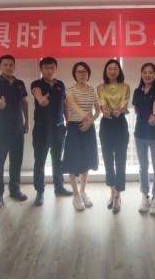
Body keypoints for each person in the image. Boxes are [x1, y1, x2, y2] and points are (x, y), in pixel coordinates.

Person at [31, 57, 73, 206]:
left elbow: (64, 104)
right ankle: (39, 191)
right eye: (46, 68)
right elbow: (36, 93)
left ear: (56, 69)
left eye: (52, 68)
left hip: (58, 128)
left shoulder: (60, 84)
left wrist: (68, 121)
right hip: (41, 129)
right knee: (40, 161)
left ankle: (59, 187)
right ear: (41, 69)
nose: (49, 70)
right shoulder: (36, 84)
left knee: (57, 160)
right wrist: (40, 99)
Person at [0, 55, 30, 209]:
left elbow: (24, 103)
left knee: (16, 162)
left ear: (14, 66)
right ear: (0, 66)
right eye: (5, 65)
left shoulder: (20, 83)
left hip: (18, 129)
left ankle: (14, 190)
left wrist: (27, 122)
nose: (8, 67)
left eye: (11, 65)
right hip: (1, 130)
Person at [62, 62, 101, 211]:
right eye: (78, 72)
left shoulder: (92, 90)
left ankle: (83, 191)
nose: (82, 74)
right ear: (74, 74)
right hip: (74, 127)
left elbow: (98, 110)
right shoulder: (70, 89)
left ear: (88, 73)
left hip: (88, 128)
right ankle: (75, 195)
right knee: (72, 160)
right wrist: (83, 114)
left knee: (86, 159)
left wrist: (90, 122)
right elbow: (71, 103)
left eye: (84, 71)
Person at [97, 59, 131, 214]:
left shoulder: (125, 86)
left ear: (119, 71)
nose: (112, 71)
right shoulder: (101, 87)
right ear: (106, 71)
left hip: (120, 123)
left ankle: (118, 194)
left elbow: (124, 101)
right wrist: (104, 110)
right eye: (109, 68)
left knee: (121, 160)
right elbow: (102, 101)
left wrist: (119, 109)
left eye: (115, 68)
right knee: (108, 160)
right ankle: (112, 191)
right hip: (106, 124)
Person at [132, 63, 155, 215]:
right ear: (141, 74)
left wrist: (154, 116)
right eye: (145, 72)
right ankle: (145, 196)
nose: (147, 75)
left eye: (151, 72)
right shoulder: (137, 92)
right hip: (140, 134)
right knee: (143, 167)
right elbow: (136, 110)